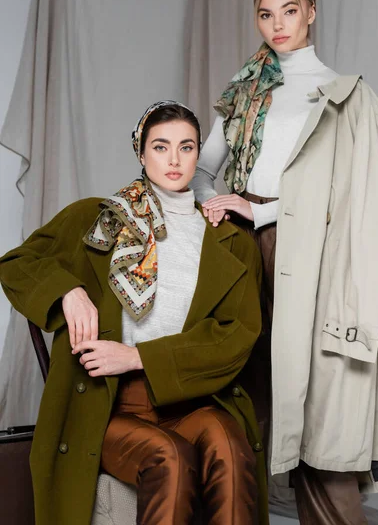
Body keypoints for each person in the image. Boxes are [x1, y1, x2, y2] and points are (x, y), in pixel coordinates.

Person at [191, 0, 378, 524]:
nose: (277, 24)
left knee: (314, 391)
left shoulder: (340, 92)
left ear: (311, 11)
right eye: (266, 13)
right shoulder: (246, 89)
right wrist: (219, 204)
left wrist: (257, 209)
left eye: (289, 10)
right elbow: (202, 169)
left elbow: (336, 192)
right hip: (239, 244)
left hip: (305, 245)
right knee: (248, 378)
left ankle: (330, 511)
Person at [0, 101, 269, 525]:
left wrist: (138, 356)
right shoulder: (98, 217)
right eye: (161, 147)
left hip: (189, 398)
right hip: (107, 403)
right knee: (171, 456)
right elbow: (17, 264)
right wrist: (69, 291)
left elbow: (236, 336)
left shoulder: (228, 240)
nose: (175, 159)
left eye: (186, 147)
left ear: (199, 154)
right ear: (142, 154)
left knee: (232, 447)